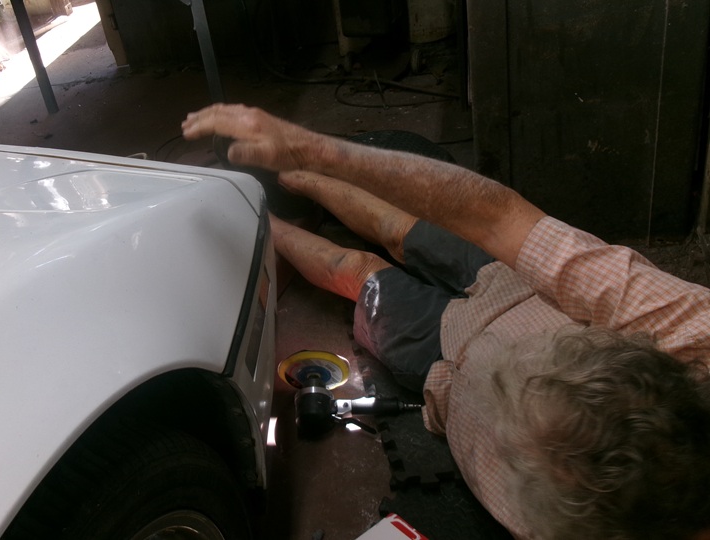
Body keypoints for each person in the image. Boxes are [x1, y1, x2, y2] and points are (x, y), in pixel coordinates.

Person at [182, 104, 710, 540]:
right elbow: (501, 217)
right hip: (512, 283)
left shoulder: (551, 516)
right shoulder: (696, 332)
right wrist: (307, 150)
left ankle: (255, 215)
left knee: (358, 269)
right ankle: (299, 177)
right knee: (397, 227)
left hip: (444, 356)